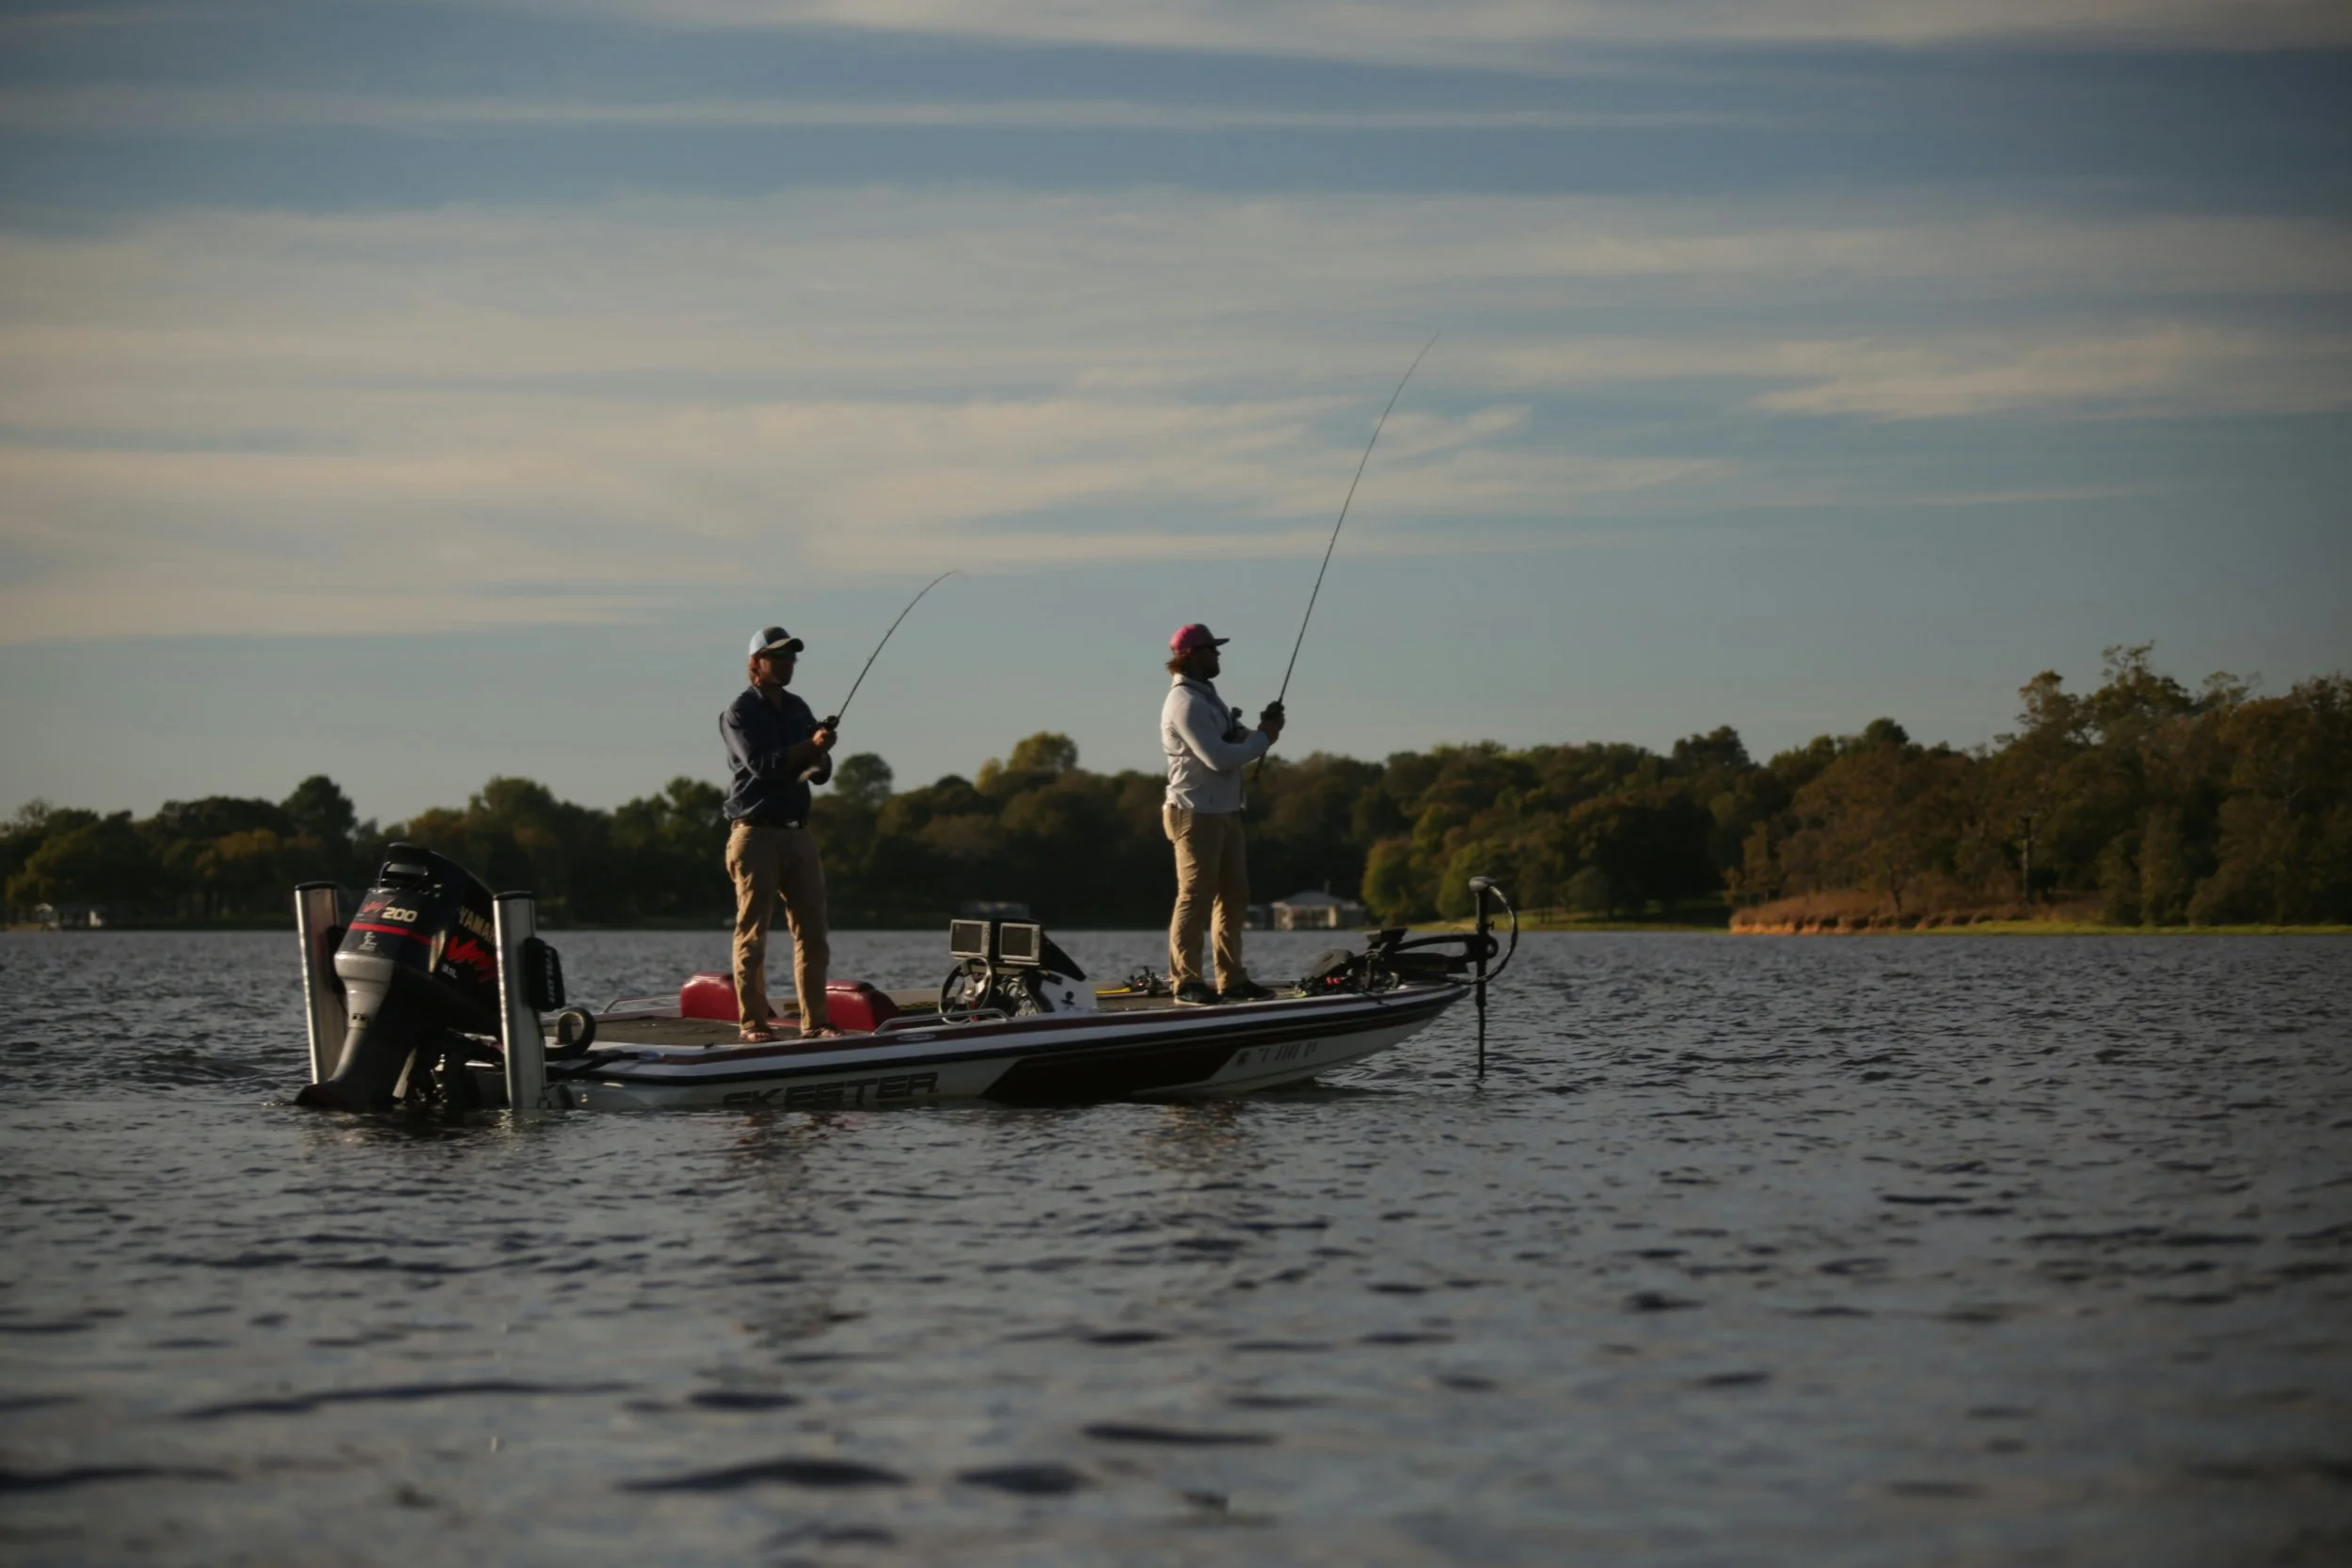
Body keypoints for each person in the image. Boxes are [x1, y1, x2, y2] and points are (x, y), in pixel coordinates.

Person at [722, 626, 840, 1043]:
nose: (788, 662)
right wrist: (810, 747)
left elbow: (815, 773)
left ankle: (817, 1023)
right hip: (754, 834)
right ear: (756, 664)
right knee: (752, 935)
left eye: (792, 656)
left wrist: (822, 753)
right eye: (779, 656)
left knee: (813, 935)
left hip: (798, 834)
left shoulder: (798, 708)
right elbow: (764, 766)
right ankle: (753, 1023)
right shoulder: (739, 712)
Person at [1161, 623, 1286, 1004]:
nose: (1218, 656)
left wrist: (1263, 730)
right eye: (1212, 650)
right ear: (1193, 655)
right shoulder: (1185, 703)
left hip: (1225, 810)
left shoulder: (1207, 697)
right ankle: (1186, 982)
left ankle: (1231, 979)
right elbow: (1218, 758)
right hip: (1194, 812)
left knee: (1234, 895)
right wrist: (1264, 738)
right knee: (1195, 896)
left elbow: (1236, 740)